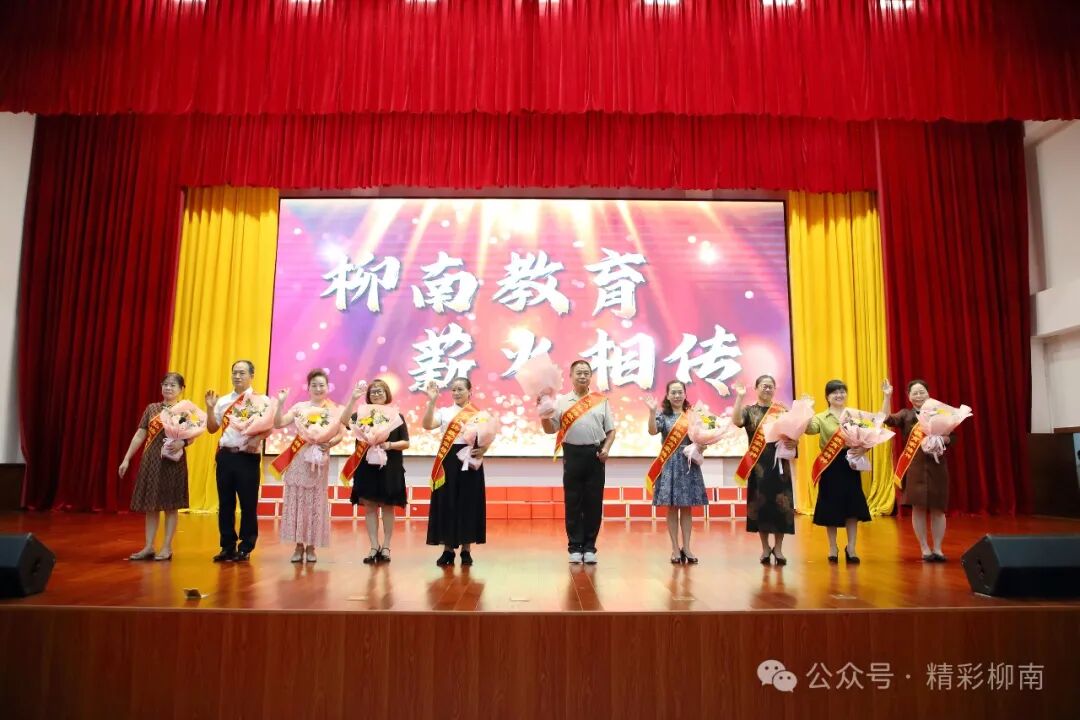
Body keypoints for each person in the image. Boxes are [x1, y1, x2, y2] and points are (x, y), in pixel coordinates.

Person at [804, 379, 891, 564]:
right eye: (834, 392)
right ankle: (832, 547)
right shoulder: (821, 417)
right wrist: (806, 409)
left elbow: (875, 426)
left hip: (850, 463)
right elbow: (809, 430)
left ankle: (851, 547)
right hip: (830, 465)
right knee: (830, 507)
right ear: (827, 396)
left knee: (852, 507)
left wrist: (886, 396)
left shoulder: (854, 415)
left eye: (842, 391)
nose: (839, 395)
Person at [541, 360, 615, 565]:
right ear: (571, 376)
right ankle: (574, 547)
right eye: (579, 373)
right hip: (572, 454)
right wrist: (543, 416)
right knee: (573, 502)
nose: (583, 376)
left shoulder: (601, 401)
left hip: (595, 454)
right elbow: (550, 429)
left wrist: (606, 449)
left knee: (593, 502)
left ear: (590, 376)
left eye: (586, 373)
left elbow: (611, 430)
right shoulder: (562, 401)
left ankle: (590, 547)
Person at [272, 369, 343, 564]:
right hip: (299, 459)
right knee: (298, 502)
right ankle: (298, 546)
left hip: (318, 461)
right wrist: (280, 403)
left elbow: (340, 434)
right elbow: (278, 423)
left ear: (327, 387)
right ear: (308, 387)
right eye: (314, 385)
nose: (318, 388)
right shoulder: (300, 408)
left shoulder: (334, 410)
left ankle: (311, 546)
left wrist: (330, 443)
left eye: (321, 385)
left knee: (314, 503)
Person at [118, 372, 191, 561]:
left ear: (181, 389)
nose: (168, 388)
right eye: (165, 384)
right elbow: (140, 434)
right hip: (151, 460)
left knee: (171, 506)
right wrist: (126, 458)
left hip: (173, 461)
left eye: (173, 385)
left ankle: (166, 548)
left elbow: (191, 435)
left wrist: (183, 443)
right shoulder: (152, 409)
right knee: (151, 506)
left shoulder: (185, 410)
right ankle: (149, 546)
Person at [205, 360, 270, 562]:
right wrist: (209, 409)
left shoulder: (262, 400)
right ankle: (227, 546)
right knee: (225, 503)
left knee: (248, 503)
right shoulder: (223, 401)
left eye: (242, 373)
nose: (237, 376)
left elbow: (270, 426)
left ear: (252, 375)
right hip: (226, 456)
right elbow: (212, 429)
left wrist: (258, 438)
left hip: (248, 457)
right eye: (234, 372)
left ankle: (246, 546)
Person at [340, 378, 409, 564]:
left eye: (380, 391)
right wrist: (353, 398)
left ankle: (386, 546)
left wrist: (389, 444)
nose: (376, 394)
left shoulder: (396, 415)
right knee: (369, 507)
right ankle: (373, 546)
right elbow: (344, 421)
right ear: (368, 395)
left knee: (388, 506)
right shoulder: (361, 413)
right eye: (373, 391)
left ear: (387, 394)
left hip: (390, 466)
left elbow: (406, 442)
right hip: (366, 467)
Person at [884, 379, 953, 562]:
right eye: (914, 393)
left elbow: (952, 436)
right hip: (915, 466)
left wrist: (942, 440)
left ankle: (938, 548)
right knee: (918, 507)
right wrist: (887, 396)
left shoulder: (940, 413)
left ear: (928, 393)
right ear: (909, 397)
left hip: (937, 465)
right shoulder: (906, 415)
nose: (919, 395)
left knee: (938, 508)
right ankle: (924, 548)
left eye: (922, 392)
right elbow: (886, 419)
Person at [422, 377, 488, 567]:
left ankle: (466, 550)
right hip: (448, 460)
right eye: (454, 390)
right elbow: (427, 425)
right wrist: (432, 401)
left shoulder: (479, 414)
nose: (456, 393)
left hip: (470, 459)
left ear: (470, 392)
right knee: (447, 501)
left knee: (469, 502)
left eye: (460, 389)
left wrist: (483, 450)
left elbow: (486, 439)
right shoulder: (444, 412)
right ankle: (448, 550)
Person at [732, 375, 796, 566]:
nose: (767, 389)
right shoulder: (749, 411)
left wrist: (795, 442)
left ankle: (779, 548)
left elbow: (793, 433)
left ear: (774, 389)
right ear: (756, 388)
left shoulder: (782, 411)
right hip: (758, 466)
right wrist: (739, 397)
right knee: (761, 506)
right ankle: (765, 548)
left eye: (770, 386)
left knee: (781, 507)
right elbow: (737, 420)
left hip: (780, 466)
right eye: (764, 386)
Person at [644, 380, 708, 564]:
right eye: (673, 392)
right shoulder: (663, 415)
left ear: (685, 394)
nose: (677, 395)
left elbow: (702, 438)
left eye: (680, 392)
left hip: (688, 464)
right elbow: (652, 431)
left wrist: (702, 446)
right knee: (672, 507)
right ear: (668, 395)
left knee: (687, 508)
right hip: (670, 464)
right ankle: (674, 548)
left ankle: (687, 547)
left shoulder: (693, 415)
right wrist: (651, 412)